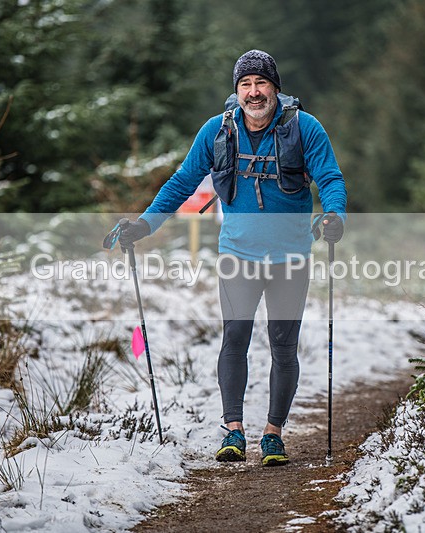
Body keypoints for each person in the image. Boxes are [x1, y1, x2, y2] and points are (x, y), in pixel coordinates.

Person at [117, 49, 346, 466]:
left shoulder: (304, 128)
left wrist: (334, 216)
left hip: (290, 256)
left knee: (283, 346)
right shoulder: (217, 131)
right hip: (237, 255)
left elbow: (330, 178)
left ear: (275, 88)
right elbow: (182, 182)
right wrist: (145, 224)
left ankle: (273, 434)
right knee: (235, 338)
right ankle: (234, 431)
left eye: (261, 83)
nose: (254, 92)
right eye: (246, 84)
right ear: (237, 91)